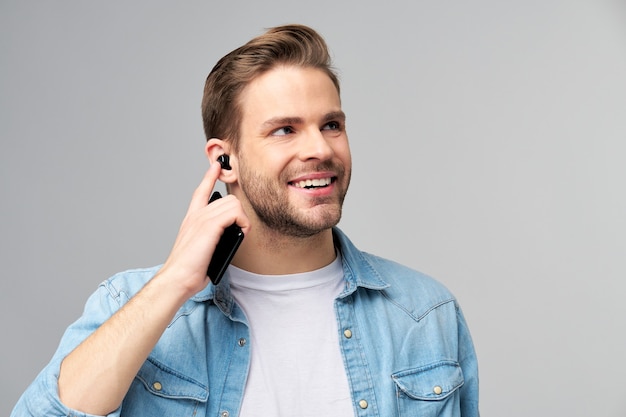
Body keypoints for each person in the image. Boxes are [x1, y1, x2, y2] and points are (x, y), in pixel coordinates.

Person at [11, 24, 479, 417]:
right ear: (226, 162)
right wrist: (174, 282)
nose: (320, 148)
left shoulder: (425, 313)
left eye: (331, 124)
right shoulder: (133, 303)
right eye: (284, 130)